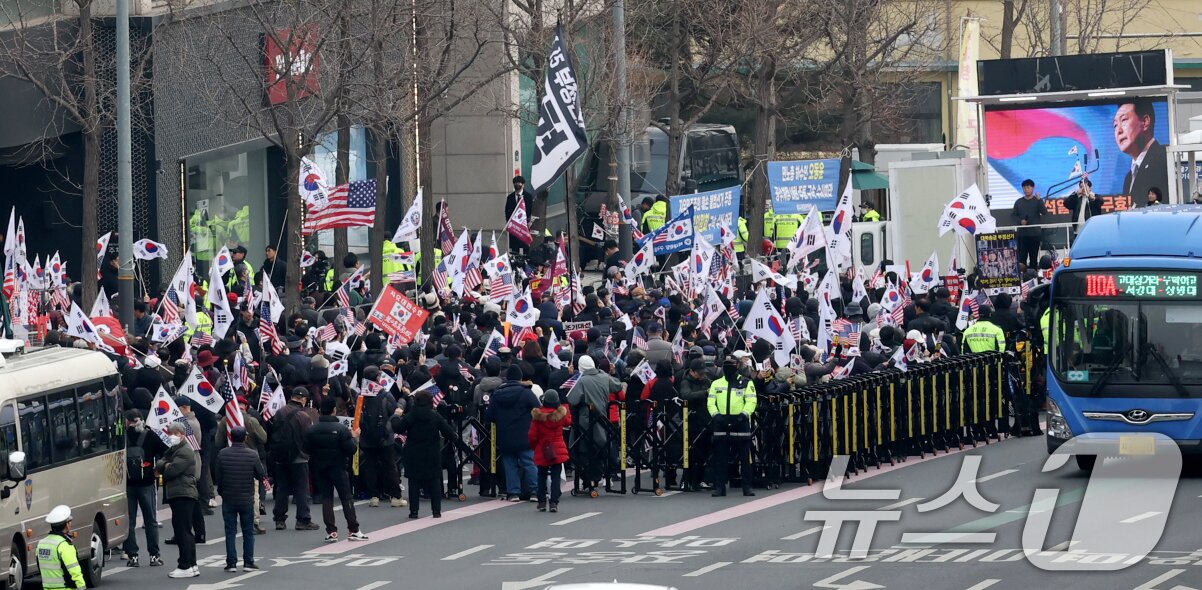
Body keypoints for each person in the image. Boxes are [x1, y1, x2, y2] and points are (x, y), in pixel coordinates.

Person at [304, 397, 369, 542]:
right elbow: (351, 449)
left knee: (327, 498)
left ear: (320, 411)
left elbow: (306, 448)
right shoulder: (341, 429)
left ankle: (331, 531)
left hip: (320, 467)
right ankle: (353, 529)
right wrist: (355, 438)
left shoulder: (311, 430)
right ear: (334, 410)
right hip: (339, 467)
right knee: (346, 498)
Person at [392, 390, 461, 518]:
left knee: (414, 482)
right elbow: (449, 432)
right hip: (432, 453)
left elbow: (398, 428)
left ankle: (414, 512)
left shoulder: (411, 415)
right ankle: (436, 511)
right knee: (434, 481)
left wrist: (396, 416)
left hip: (414, 452)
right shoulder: (435, 416)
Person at [269, 387, 320, 531]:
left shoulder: (279, 412)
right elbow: (308, 436)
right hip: (299, 456)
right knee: (301, 488)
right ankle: (303, 519)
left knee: (282, 488)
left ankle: (279, 519)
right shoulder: (304, 416)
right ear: (303, 399)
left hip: (281, 455)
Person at [215, 427, 266, 571]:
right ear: (245, 438)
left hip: (229, 497)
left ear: (230, 437)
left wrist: (222, 491)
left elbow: (218, 476)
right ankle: (248, 561)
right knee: (248, 531)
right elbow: (260, 474)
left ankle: (231, 563)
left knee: (230, 531)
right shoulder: (252, 454)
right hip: (246, 497)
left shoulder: (222, 454)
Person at [488, 364, 540, 501]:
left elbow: (489, 416)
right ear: (520, 378)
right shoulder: (526, 392)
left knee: (510, 464)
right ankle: (535, 491)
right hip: (524, 433)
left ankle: (513, 492)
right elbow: (538, 409)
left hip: (505, 434)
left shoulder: (497, 394)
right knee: (529, 463)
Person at [122, 410, 166, 568]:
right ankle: (154, 555)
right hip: (147, 483)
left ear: (127, 422)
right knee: (151, 521)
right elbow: (165, 452)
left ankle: (132, 556)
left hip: (127, 485)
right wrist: (156, 468)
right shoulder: (150, 435)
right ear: (140, 420)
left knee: (130, 522)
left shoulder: (122, 437)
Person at [707, 358, 757, 497]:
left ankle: (747, 487)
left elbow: (751, 401)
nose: (728, 368)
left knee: (744, 459)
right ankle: (720, 487)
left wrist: (743, 415)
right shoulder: (716, 384)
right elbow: (711, 402)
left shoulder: (747, 383)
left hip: (740, 422)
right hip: (721, 422)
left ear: (737, 367)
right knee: (720, 458)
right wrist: (716, 416)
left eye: (731, 366)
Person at [158, 421, 201, 578]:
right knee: (184, 530)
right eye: (170, 434)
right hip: (179, 493)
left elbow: (171, 471)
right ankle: (192, 564)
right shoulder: (175, 449)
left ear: (182, 435)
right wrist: (165, 464)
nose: (172, 437)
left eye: (175, 434)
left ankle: (185, 565)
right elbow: (162, 461)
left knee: (182, 530)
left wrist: (166, 466)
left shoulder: (184, 451)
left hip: (183, 493)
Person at [1114, 100, 1168, 202]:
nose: (1118, 131)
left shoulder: (1163, 158)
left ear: (1145, 122)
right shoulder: (1129, 177)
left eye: (1124, 120)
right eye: (1115, 125)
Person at [529, 389, 571, 512]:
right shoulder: (561, 415)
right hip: (557, 448)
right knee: (555, 476)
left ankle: (542, 501)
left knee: (541, 475)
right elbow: (569, 421)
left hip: (542, 447)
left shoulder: (538, 416)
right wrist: (566, 405)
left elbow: (532, 435)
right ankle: (554, 502)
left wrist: (534, 446)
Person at [36, 505, 87, 589]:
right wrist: (82, 587)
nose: (71, 523)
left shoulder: (41, 544)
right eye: (70, 521)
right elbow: (74, 571)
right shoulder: (64, 545)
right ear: (67, 525)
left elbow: (40, 569)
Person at [1011, 179, 1044, 269]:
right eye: (1024, 188)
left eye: (1028, 188)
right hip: (1022, 235)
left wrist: (1040, 200)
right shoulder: (1019, 202)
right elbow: (1013, 215)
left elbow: (1044, 212)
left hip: (1035, 234)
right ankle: (1022, 279)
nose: (1026, 190)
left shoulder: (1037, 201)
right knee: (1022, 258)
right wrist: (1020, 221)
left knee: (1033, 259)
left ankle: (1034, 277)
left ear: (1033, 188)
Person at [505, 175, 535, 255]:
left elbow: (530, 210)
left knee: (525, 248)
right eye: (515, 183)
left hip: (524, 227)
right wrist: (510, 223)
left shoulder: (528, 196)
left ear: (523, 184)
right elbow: (507, 212)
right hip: (514, 228)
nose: (517, 185)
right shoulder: (510, 197)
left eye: (519, 183)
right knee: (514, 249)